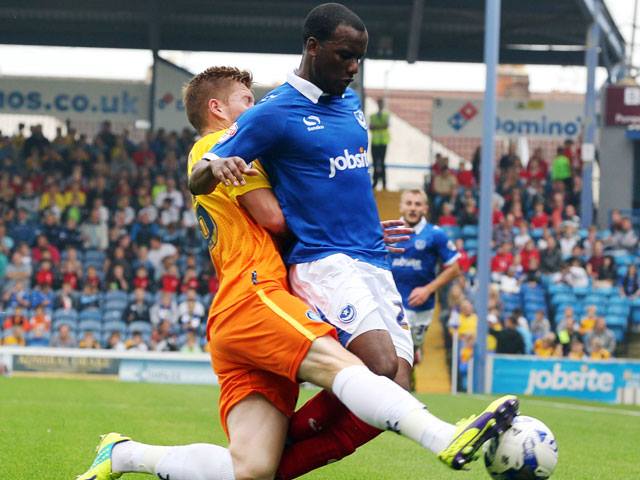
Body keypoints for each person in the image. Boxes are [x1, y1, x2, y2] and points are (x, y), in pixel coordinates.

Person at [78, 5, 518, 480]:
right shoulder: (225, 144)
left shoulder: (333, 111)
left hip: (256, 303)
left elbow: (320, 186)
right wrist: (225, 169)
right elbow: (263, 210)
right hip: (256, 295)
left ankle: (124, 455)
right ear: (218, 109)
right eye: (246, 100)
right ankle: (443, 436)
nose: (255, 106)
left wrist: (361, 226)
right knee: (368, 366)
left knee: (253, 468)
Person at [390, 189, 461, 366]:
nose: (413, 208)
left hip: (420, 305)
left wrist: (428, 289)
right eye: (409, 203)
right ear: (401, 206)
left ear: (425, 208)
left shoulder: (435, 234)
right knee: (395, 352)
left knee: (411, 349)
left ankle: (415, 354)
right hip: (391, 302)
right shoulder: (388, 233)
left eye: (417, 204)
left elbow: (455, 269)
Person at [369, 97, 390, 190]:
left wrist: (376, 126)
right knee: (375, 163)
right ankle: (375, 181)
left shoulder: (386, 115)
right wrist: (380, 126)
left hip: (383, 142)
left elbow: (386, 125)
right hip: (375, 142)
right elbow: (371, 127)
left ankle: (384, 183)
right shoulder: (373, 116)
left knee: (382, 162)